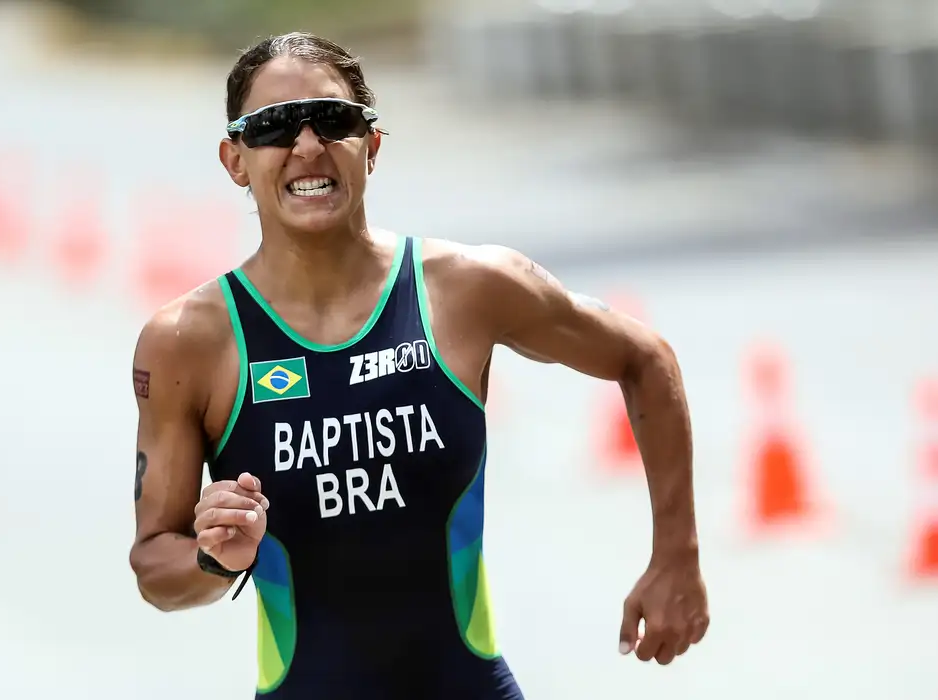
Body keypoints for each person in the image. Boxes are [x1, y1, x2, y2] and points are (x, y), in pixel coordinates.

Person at [129, 31, 710, 700]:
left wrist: (677, 555)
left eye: (334, 119)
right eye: (275, 126)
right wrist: (212, 559)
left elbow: (645, 358)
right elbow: (154, 564)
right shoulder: (189, 342)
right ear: (236, 160)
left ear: (372, 145)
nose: (308, 145)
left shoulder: (468, 288)